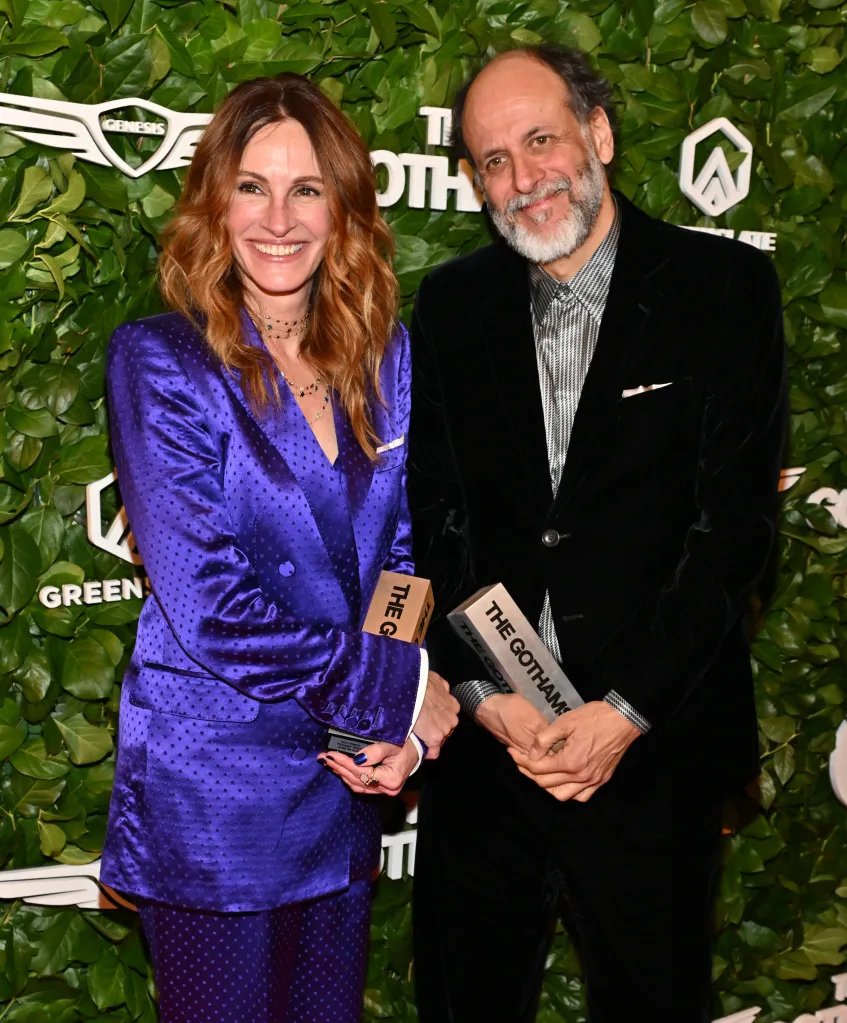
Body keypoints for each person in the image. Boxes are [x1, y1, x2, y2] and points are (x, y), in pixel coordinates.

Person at [408, 44, 786, 1023]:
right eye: (493, 159)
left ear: (599, 135)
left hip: (651, 755)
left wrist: (620, 714)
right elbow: (437, 520)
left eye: (540, 140)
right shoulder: (450, 307)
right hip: (490, 757)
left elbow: (732, 532)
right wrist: (486, 697)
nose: (522, 176)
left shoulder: (723, 288)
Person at [100, 73, 458, 1023]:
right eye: (252, 187)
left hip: (342, 780)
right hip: (215, 797)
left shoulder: (385, 357)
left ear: (343, 209)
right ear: (215, 203)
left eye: (307, 189)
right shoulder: (161, 360)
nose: (278, 218)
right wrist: (397, 693)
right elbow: (211, 606)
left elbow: (403, 559)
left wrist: (382, 731)